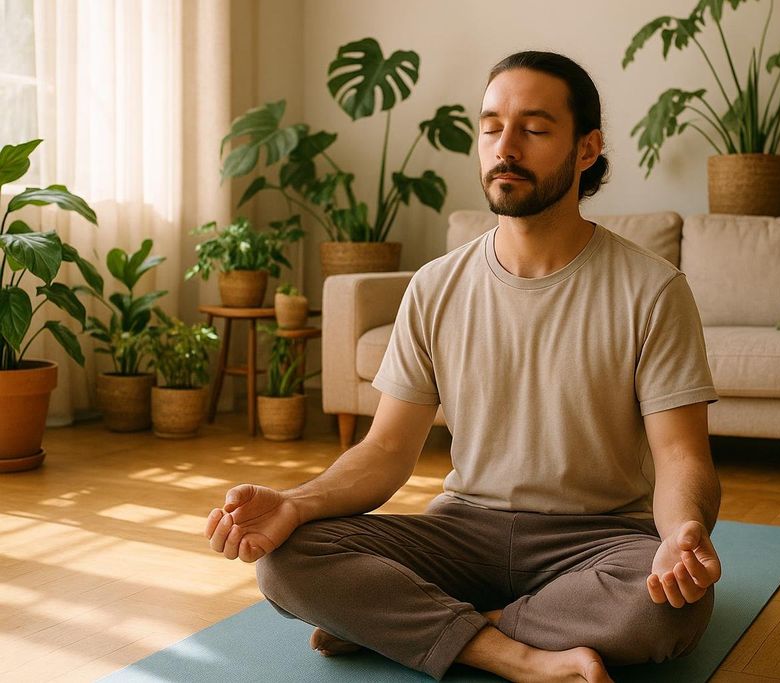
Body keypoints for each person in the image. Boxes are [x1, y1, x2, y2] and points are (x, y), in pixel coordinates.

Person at [205, 50, 721, 683]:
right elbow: (387, 451)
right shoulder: (433, 286)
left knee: (667, 608)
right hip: (462, 532)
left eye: (534, 128)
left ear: (587, 150)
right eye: (490, 126)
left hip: (596, 540)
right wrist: (295, 502)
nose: (505, 147)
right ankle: (509, 651)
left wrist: (682, 532)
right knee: (286, 560)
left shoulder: (654, 290)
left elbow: (681, 457)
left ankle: (415, 624)